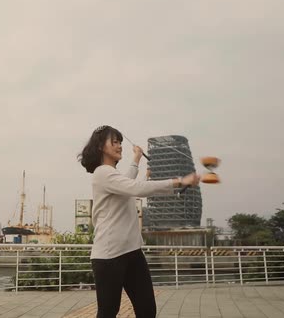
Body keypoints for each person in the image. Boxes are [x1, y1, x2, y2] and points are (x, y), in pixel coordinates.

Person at [78, 125, 200, 318]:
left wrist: (136, 158)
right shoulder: (102, 173)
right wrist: (179, 181)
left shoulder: (113, 177)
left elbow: (128, 182)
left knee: (147, 310)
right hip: (109, 257)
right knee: (108, 312)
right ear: (101, 146)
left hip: (132, 252)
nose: (119, 146)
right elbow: (135, 188)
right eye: (114, 142)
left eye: (120, 142)